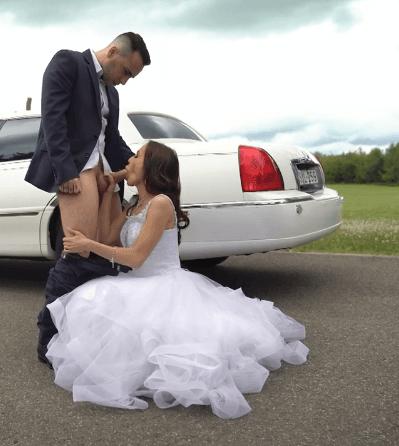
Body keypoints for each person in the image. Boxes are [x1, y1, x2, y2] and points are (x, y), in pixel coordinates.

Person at [46, 141, 309, 419]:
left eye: (136, 157)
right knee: (89, 301)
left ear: (152, 167)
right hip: (136, 282)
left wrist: (88, 244)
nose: (128, 162)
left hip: (165, 284)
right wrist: (108, 192)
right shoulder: (134, 205)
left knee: (161, 334)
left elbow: (136, 257)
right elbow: (110, 239)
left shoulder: (161, 203)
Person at [25, 32, 151, 366]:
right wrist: (64, 171)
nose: (124, 81)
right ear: (114, 51)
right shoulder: (67, 62)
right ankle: (48, 336)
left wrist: (144, 167)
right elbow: (52, 118)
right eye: (126, 72)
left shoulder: (112, 93)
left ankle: (87, 333)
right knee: (78, 254)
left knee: (103, 255)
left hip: (103, 174)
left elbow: (111, 139)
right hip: (76, 171)